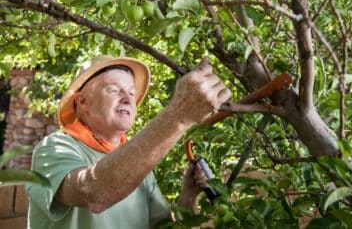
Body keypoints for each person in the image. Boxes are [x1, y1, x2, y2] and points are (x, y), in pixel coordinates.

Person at [26, 56, 231, 229]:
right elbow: (94, 193)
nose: (127, 98)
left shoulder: (138, 166)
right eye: (114, 90)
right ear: (82, 101)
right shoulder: (54, 148)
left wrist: (187, 197)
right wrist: (179, 115)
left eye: (131, 92)